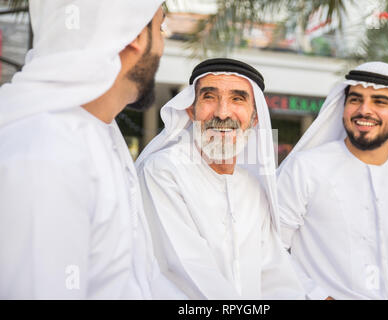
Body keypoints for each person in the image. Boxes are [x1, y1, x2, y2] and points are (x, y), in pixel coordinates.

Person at [0, 0, 181, 299]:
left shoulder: (101, 133)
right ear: (136, 36)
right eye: (159, 29)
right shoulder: (47, 152)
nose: (162, 47)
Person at [135, 58, 306, 299]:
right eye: (209, 97)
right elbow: (186, 272)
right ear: (190, 110)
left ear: (254, 118)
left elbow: (274, 275)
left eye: (237, 99)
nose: (222, 113)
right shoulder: (163, 171)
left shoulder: (252, 188)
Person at [277, 61, 388, 300]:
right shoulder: (306, 168)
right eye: (355, 99)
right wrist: (318, 296)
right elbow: (271, 247)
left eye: (379, 101)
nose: (364, 110)